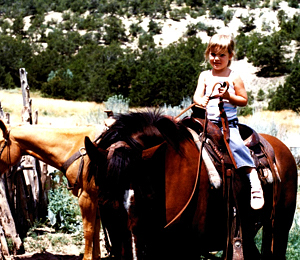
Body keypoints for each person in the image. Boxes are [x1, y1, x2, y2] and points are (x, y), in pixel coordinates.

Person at [193, 34, 264, 210]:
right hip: (205, 122)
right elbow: (197, 95)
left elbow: (243, 99)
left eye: (222, 55)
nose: (216, 59)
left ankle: (253, 180)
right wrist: (199, 101)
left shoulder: (233, 77)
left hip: (226, 125)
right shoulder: (204, 75)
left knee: (237, 146)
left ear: (230, 56)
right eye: (213, 54)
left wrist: (228, 96)